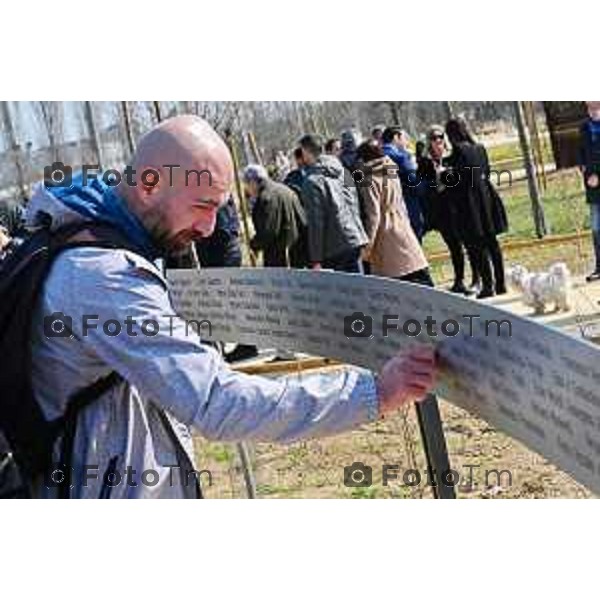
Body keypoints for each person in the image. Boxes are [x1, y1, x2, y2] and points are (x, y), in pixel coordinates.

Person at [26, 115, 437, 499]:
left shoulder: (84, 237)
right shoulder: (103, 277)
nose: (207, 228)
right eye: (202, 206)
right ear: (149, 185)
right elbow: (215, 402)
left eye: (216, 210)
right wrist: (374, 392)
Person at [444, 118, 508, 299]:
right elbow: (486, 171)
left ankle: (488, 286)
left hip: (469, 204)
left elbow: (457, 181)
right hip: (486, 198)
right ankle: (501, 283)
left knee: (476, 245)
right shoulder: (480, 148)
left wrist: (445, 175)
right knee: (492, 243)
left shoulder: (458, 152)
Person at [355, 140, 432, 285]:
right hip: (402, 225)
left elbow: (374, 215)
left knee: (393, 284)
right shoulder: (390, 171)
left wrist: (368, 247)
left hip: (386, 233)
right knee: (417, 273)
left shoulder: (369, 180)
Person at [195, 194, 258, 363]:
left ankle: (242, 345)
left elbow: (222, 231)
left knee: (226, 303)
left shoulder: (217, 197)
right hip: (224, 255)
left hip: (222, 257)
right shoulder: (217, 195)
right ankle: (227, 345)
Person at [418, 126, 480, 294]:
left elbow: (463, 180)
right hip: (441, 210)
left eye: (440, 138)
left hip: (458, 207)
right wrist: (436, 179)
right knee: (454, 246)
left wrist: (448, 177)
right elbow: (422, 186)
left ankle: (476, 278)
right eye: (434, 139)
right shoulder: (424, 162)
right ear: (429, 142)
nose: (438, 142)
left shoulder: (452, 157)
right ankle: (459, 280)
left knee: (469, 244)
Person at [298, 134, 368, 273]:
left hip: (334, 247)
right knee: (360, 289)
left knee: (341, 294)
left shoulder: (311, 182)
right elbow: (355, 203)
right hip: (354, 238)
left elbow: (316, 221)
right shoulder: (344, 171)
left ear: (305, 151)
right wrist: (361, 234)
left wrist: (316, 258)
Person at [243, 164, 306, 267]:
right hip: (296, 254)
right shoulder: (285, 189)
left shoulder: (266, 198)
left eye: (247, 184)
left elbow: (268, 232)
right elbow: (303, 221)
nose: (248, 190)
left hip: (280, 259)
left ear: (253, 182)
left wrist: (254, 245)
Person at [381, 127, 425, 242]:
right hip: (407, 205)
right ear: (396, 137)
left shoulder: (376, 155)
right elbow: (414, 183)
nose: (407, 141)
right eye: (404, 138)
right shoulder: (400, 157)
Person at [579, 101, 600, 282]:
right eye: (589, 108)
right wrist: (583, 168)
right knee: (595, 227)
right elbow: (582, 152)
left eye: (596, 107)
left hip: (597, 179)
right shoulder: (584, 127)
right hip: (592, 186)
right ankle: (599, 267)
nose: (592, 111)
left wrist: (597, 174)